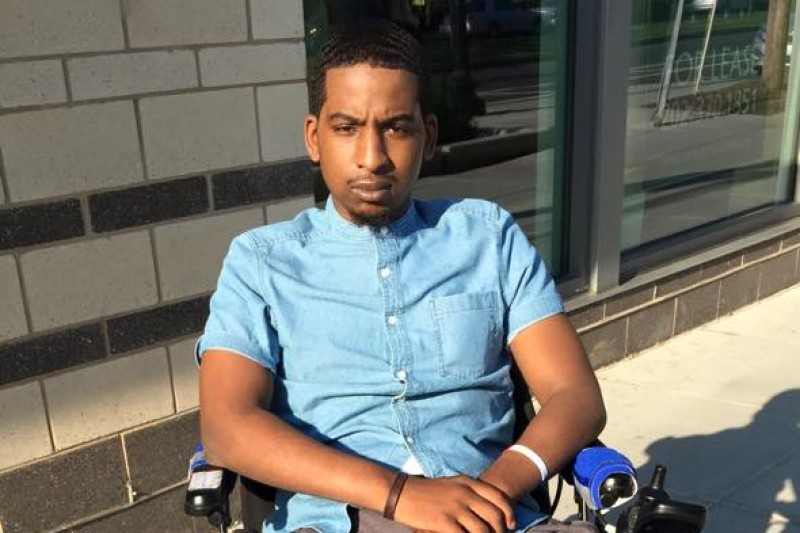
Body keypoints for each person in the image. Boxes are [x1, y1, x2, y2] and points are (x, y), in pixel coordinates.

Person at [197, 19, 606, 533]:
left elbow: (575, 395)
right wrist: (401, 496)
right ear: (314, 138)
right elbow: (226, 426)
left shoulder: (486, 238)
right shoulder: (262, 263)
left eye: (396, 128)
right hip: (339, 521)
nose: (372, 158)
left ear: (428, 136)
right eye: (347, 128)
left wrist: (485, 496)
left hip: (495, 515)